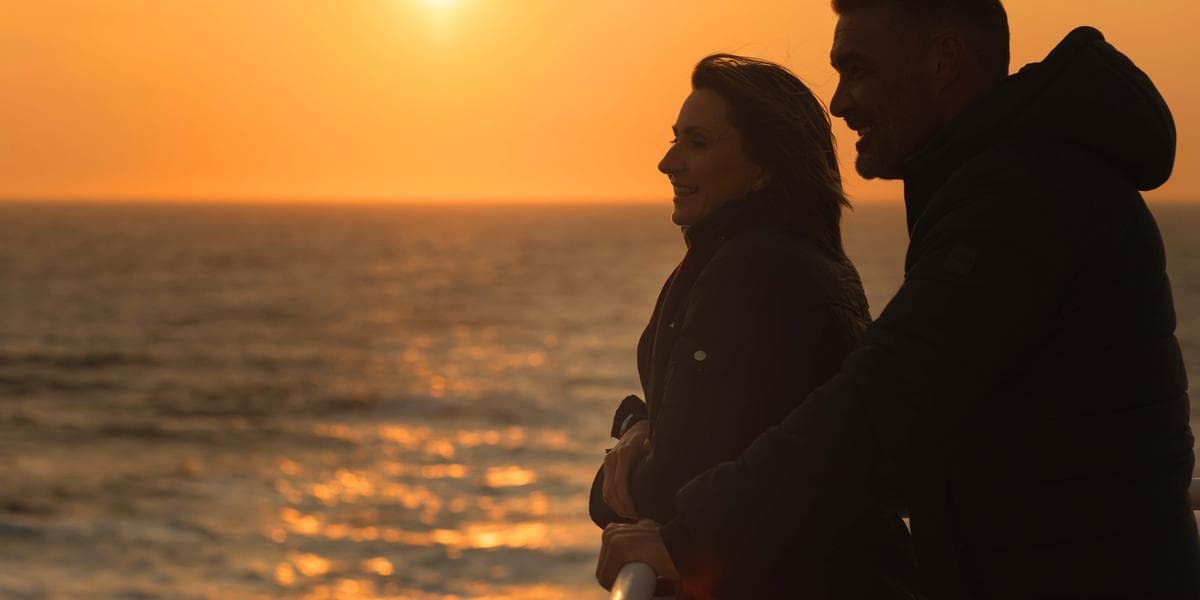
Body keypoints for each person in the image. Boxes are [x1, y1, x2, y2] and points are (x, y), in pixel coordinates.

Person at [596, 1, 1200, 598]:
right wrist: (639, 427)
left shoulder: (1025, 199)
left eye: (858, 70)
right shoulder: (1004, 185)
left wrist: (692, 537)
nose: (839, 102)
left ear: (943, 60)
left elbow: (886, 403)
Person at [589, 54, 917, 598]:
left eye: (697, 142)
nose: (668, 162)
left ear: (765, 166)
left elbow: (674, 482)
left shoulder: (754, 273)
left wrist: (606, 488)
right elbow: (717, 421)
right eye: (675, 139)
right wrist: (637, 427)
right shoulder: (788, 258)